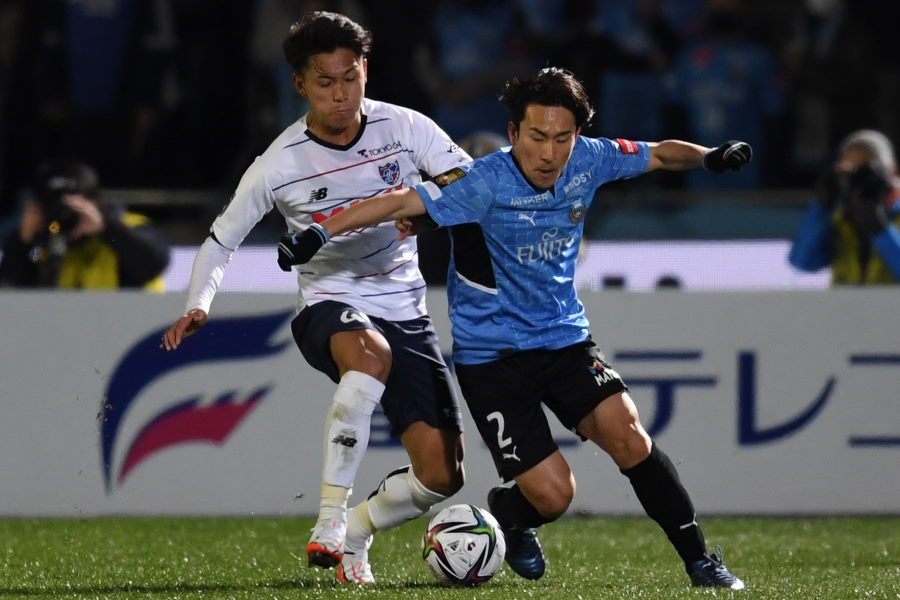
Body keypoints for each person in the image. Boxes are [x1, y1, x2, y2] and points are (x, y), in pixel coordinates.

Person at [278, 67, 751, 589]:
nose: (549, 154)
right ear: (513, 134)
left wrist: (709, 156)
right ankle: (512, 512)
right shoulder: (482, 183)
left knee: (629, 437)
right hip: (493, 363)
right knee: (555, 496)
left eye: (562, 139)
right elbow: (394, 203)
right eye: (537, 137)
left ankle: (701, 563)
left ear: (578, 135)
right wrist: (319, 230)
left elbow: (661, 152)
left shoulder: (591, 160)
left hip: (566, 343)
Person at [160, 12, 469, 584]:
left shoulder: (405, 127)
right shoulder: (280, 164)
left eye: (350, 77)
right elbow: (222, 238)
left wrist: (424, 216)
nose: (340, 94)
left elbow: (467, 186)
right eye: (324, 82)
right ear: (300, 85)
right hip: (329, 301)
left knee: (442, 476)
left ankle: (355, 530)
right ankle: (328, 520)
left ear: (365, 71)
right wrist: (198, 303)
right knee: (370, 355)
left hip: (406, 305)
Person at [0, 158, 169, 289]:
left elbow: (153, 264)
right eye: (54, 208)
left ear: (94, 204)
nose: (64, 217)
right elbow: (14, 291)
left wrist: (106, 228)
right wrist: (23, 242)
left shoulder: (127, 227)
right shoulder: (40, 243)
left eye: (75, 207)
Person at [789, 129, 900, 284]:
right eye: (854, 174)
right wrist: (822, 207)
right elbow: (803, 262)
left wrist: (880, 229)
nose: (862, 183)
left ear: (892, 172)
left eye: (869, 173)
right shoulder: (840, 219)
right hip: (846, 307)